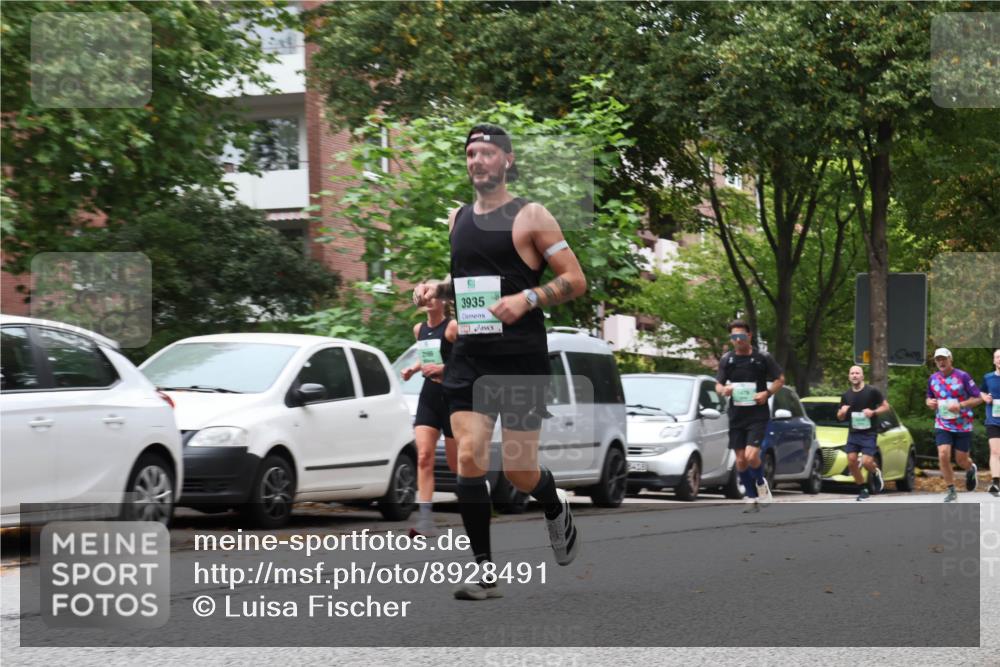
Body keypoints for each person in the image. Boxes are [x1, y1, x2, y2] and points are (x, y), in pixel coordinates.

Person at [412, 124, 587, 600]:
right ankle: (485, 572)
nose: (477, 160)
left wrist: (528, 298)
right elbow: (471, 283)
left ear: (507, 160)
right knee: (468, 455)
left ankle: (554, 506)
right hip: (470, 355)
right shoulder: (458, 220)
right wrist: (437, 288)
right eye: (471, 152)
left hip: (520, 357)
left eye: (487, 152)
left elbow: (575, 279)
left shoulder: (531, 216)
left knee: (518, 470)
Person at [399, 296, 459, 536]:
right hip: (429, 395)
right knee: (424, 456)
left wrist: (443, 369)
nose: (430, 301)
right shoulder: (419, 329)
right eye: (426, 298)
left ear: (443, 301)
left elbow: (465, 358)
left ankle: (478, 491)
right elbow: (426, 356)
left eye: (434, 297)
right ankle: (425, 521)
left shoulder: (452, 327)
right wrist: (412, 369)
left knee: (457, 465)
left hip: (452, 396)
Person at [715, 320, 785, 514]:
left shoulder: (762, 357)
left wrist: (767, 394)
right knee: (740, 461)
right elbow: (718, 384)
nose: (738, 340)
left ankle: (762, 485)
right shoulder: (727, 359)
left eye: (741, 336)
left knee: (751, 455)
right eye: (734, 337)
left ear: (749, 336)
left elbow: (780, 379)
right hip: (737, 415)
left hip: (757, 414)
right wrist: (724, 390)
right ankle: (751, 496)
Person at [926, 348, 983, 502]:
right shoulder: (933, 378)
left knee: (961, 460)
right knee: (943, 454)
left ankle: (970, 469)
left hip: (963, 424)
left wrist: (961, 404)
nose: (941, 362)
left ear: (950, 359)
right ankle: (951, 490)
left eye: (944, 358)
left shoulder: (962, 376)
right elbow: (929, 398)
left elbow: (978, 398)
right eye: (938, 359)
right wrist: (930, 403)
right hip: (942, 423)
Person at [836, 365, 891, 501]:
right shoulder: (846, 395)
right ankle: (863, 489)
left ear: (862, 376)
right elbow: (840, 417)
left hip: (869, 432)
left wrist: (873, 412)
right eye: (852, 373)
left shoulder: (872, 391)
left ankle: (874, 472)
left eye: (857, 373)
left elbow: (886, 407)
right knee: (852, 461)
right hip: (854, 432)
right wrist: (842, 412)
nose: (854, 375)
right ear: (849, 377)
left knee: (866, 462)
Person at [980, 348, 1000, 497]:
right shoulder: (988, 377)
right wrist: (985, 398)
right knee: (995, 451)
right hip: (993, 420)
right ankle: (996, 483)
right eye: (997, 357)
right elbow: (981, 392)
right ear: (994, 360)